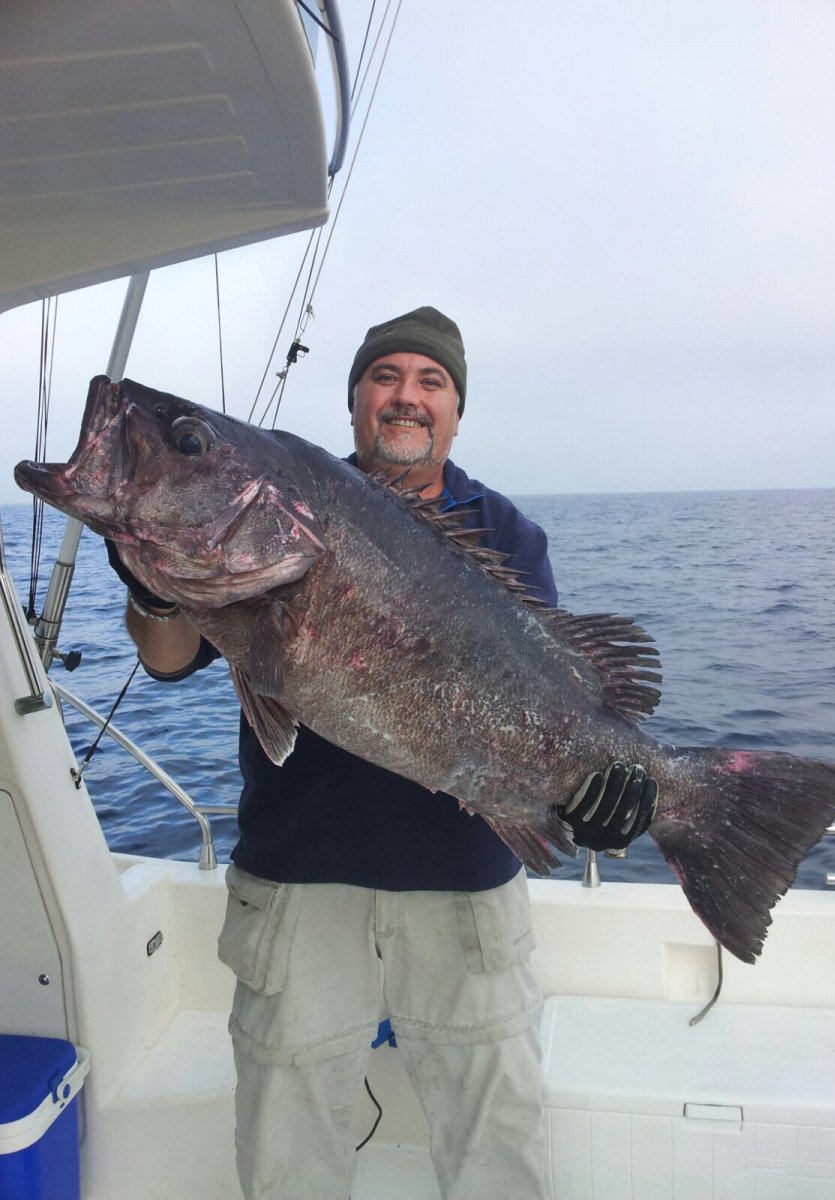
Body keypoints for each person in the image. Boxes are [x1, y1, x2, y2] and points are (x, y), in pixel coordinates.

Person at [108, 306, 657, 1200]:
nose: (407, 396)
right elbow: (168, 662)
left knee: (496, 1142)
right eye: (386, 376)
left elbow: (554, 700)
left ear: (456, 411)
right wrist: (156, 592)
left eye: (430, 381)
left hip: (464, 885)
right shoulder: (280, 509)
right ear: (356, 399)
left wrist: (594, 800)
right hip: (298, 879)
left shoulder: (507, 532)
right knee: (288, 1148)